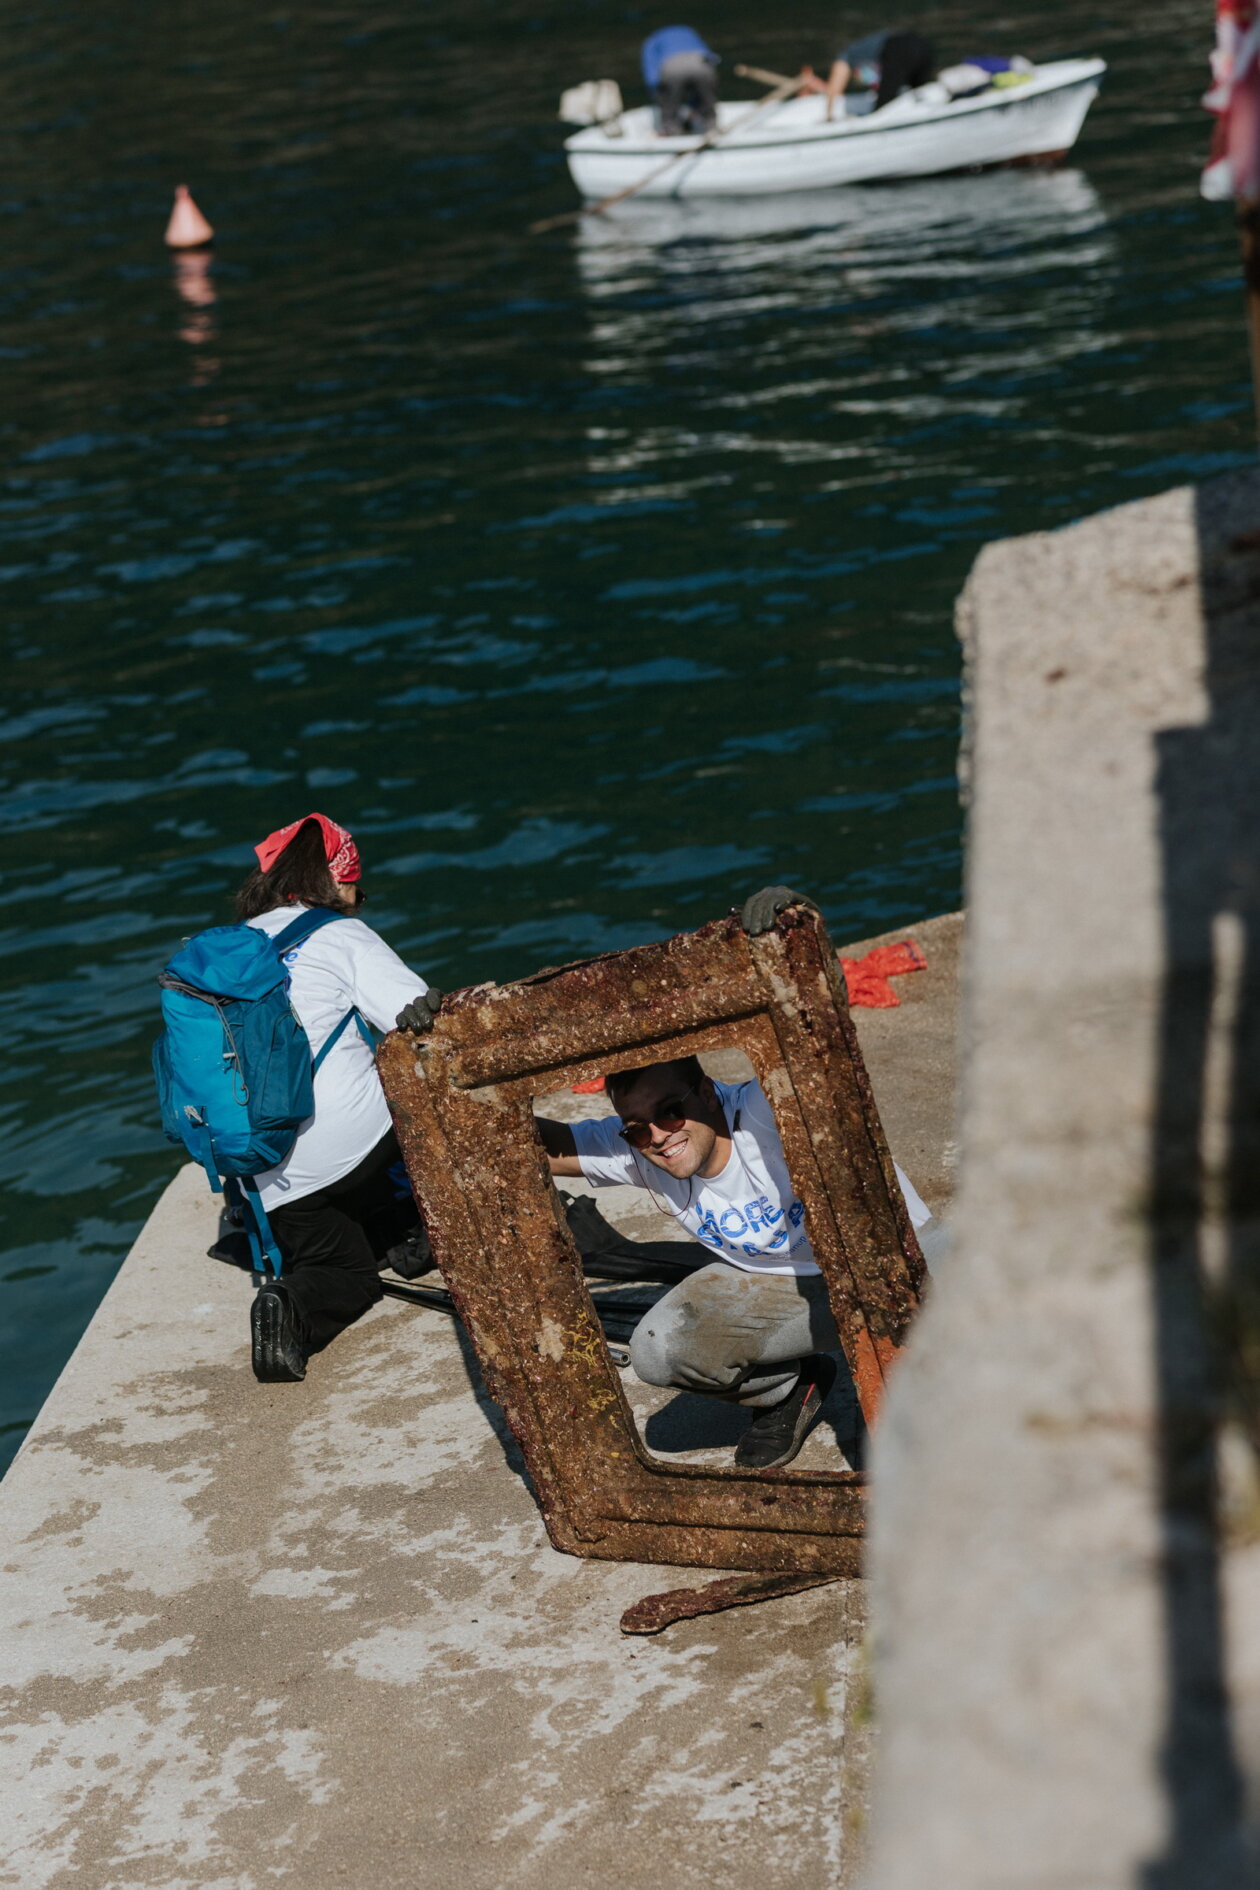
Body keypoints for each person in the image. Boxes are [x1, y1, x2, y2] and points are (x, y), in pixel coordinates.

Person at [537, 885, 940, 1470]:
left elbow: (811, 1034)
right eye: (637, 1125)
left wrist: (789, 930)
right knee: (658, 1351)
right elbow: (530, 1145)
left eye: (671, 1110)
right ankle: (790, 1389)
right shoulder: (640, 1149)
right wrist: (438, 1070)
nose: (658, 1134)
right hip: (785, 1293)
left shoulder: (765, 1110)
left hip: (897, 1260)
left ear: (706, 1091)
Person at [234, 813, 441, 1384]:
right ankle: (424, 1226)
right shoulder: (339, 932)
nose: (357, 900)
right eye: (355, 886)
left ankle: (290, 1307)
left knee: (344, 1272)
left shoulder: (226, 953)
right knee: (434, 1091)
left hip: (267, 1172)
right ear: (337, 879)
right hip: (360, 1145)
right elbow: (422, 1020)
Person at [806, 27, 936, 118]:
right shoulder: (867, 56)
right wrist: (818, 86)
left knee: (882, 109)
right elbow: (879, 80)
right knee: (922, 94)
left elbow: (834, 90)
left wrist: (829, 115)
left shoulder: (846, 56)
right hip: (922, 45)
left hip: (898, 48)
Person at [640, 24, 720, 135]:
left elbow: (651, 73)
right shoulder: (689, 31)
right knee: (707, 103)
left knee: (669, 112)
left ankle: (673, 134)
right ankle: (712, 128)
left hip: (672, 66)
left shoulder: (652, 40)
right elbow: (711, 57)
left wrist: (658, 96)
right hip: (701, 62)